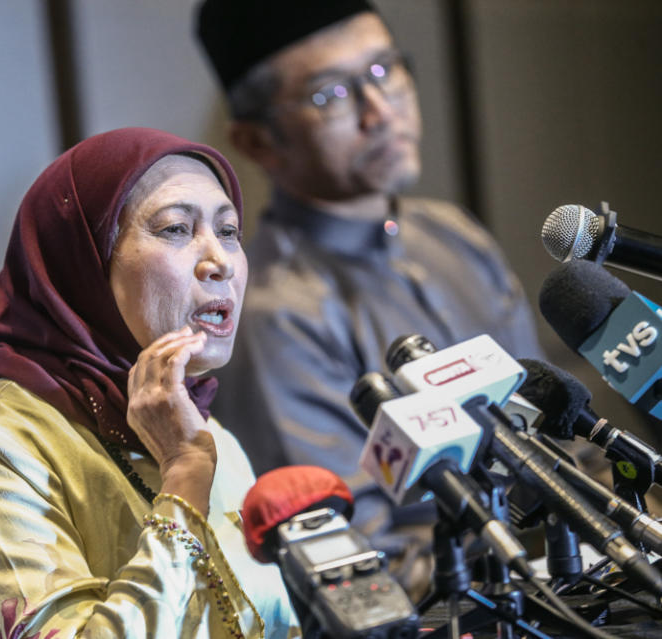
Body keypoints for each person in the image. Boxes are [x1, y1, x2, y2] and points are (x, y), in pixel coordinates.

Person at [0, 127, 299, 639]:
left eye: (228, 232)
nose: (219, 261)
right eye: (177, 229)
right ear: (83, 262)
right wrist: (182, 481)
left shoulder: (198, 428)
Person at [195, 0, 542, 582]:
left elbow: (558, 442)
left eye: (385, 70)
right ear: (257, 143)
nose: (380, 111)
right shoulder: (273, 315)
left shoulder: (453, 234)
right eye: (331, 94)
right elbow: (360, 562)